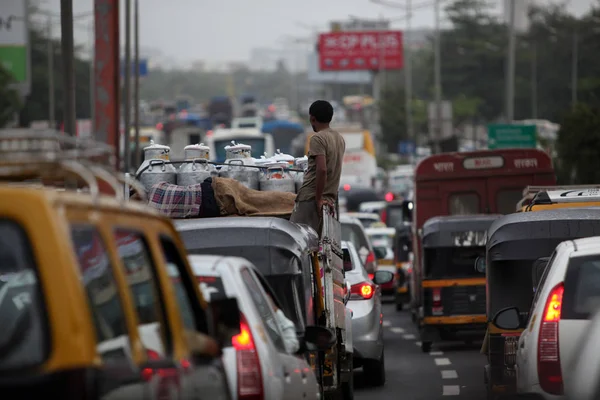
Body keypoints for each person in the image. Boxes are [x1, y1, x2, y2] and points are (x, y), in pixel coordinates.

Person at [291, 100, 346, 235]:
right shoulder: (339, 138)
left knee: (294, 237)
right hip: (329, 200)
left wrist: (318, 199)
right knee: (316, 245)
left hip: (310, 199)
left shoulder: (317, 139)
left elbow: (322, 169)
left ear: (312, 118)